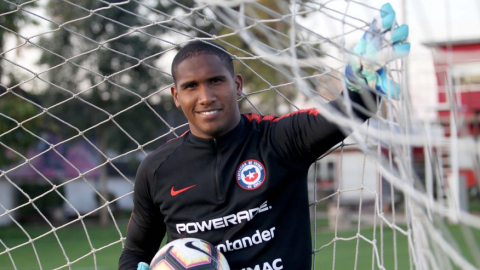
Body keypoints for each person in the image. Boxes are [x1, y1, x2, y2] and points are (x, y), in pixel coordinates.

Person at [118, 3, 409, 270]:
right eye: (191, 86)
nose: (205, 96)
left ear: (237, 85)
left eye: (215, 81)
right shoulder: (157, 170)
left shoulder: (277, 140)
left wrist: (361, 88)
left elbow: (344, 114)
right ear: (176, 96)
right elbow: (134, 253)